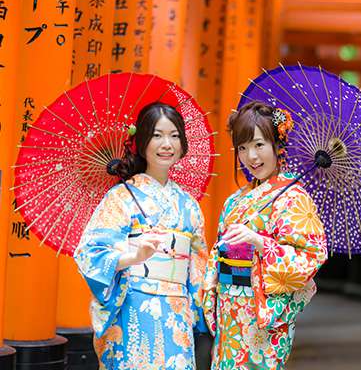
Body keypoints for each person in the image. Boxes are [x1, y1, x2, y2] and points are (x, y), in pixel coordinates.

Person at [75, 102, 209, 369]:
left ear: (182, 143)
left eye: (174, 135)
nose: (166, 144)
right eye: (157, 135)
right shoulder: (121, 197)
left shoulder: (189, 206)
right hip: (133, 307)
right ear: (143, 141)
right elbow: (90, 253)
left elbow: (200, 266)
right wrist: (134, 256)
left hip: (177, 313)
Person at [202, 101, 328, 369]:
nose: (251, 157)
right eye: (243, 148)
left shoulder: (294, 198)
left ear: (277, 145)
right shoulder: (235, 200)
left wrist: (259, 241)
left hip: (263, 314)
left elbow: (310, 255)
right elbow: (219, 252)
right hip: (229, 308)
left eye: (259, 145)